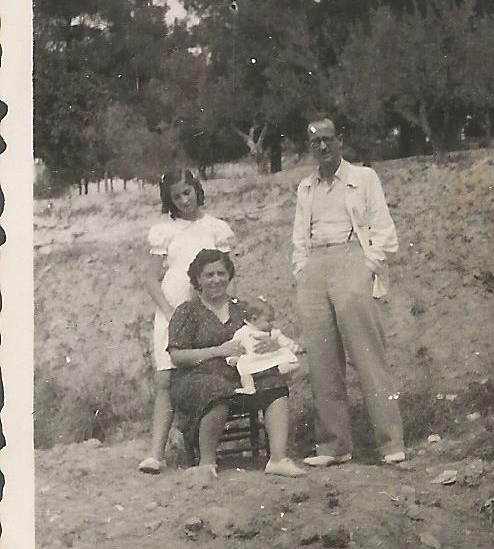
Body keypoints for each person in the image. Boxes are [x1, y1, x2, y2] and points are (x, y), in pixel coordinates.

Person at [292, 118, 405, 467]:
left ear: (340, 141)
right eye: (316, 143)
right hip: (315, 266)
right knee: (323, 360)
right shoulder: (305, 188)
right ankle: (333, 446)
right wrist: (302, 269)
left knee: (368, 355)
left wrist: (367, 265)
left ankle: (390, 443)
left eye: (328, 140)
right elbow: (299, 237)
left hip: (352, 256)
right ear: (310, 148)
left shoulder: (364, 178)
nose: (323, 147)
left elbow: (383, 229)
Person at [167, 248, 305, 482]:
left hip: (241, 375)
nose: (216, 280)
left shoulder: (242, 308)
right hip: (196, 378)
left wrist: (270, 344)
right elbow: (177, 356)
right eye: (209, 275)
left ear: (229, 275)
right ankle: (207, 463)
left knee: (273, 381)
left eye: (221, 273)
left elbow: (266, 333)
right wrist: (218, 351)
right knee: (216, 389)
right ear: (197, 280)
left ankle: (279, 459)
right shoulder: (187, 311)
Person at [138, 168, 235, 474]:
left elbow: (229, 276)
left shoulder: (216, 228)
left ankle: (199, 449)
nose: (183, 200)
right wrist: (169, 312)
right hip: (172, 309)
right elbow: (151, 279)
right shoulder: (164, 230)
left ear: (197, 189)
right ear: (169, 199)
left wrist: (230, 311)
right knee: (167, 378)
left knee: (207, 372)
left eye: (187, 192)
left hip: (209, 309)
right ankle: (156, 453)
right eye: (176, 196)